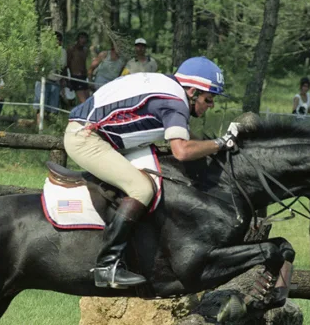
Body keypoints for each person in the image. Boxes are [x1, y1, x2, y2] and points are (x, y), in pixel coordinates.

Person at [64, 56, 238, 288]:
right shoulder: (175, 103)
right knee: (142, 188)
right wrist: (219, 144)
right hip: (85, 139)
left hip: (96, 132)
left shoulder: (170, 87)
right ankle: (107, 266)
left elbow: (186, 137)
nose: (211, 105)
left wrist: (213, 147)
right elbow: (182, 151)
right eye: (209, 98)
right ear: (193, 92)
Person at [33, 31, 66, 128]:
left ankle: (49, 128)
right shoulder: (43, 50)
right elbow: (37, 65)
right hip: (43, 81)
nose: (57, 42)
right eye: (55, 39)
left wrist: (63, 80)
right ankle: (39, 128)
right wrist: (39, 74)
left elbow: (63, 67)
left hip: (56, 82)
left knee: (52, 108)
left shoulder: (63, 52)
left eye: (59, 40)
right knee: (40, 106)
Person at [66, 31, 90, 103]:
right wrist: (68, 79)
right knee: (83, 101)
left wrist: (87, 76)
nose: (83, 40)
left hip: (84, 77)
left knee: (89, 99)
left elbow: (84, 64)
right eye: (81, 38)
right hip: (75, 77)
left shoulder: (85, 50)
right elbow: (67, 64)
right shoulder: (71, 50)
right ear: (78, 39)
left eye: (85, 38)